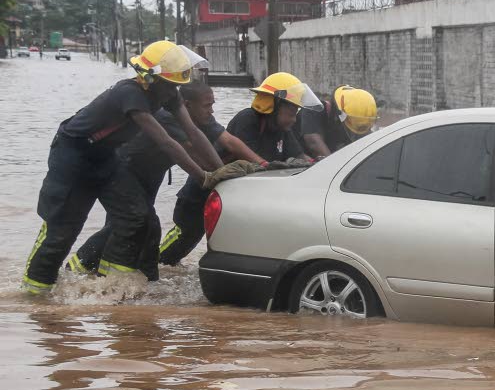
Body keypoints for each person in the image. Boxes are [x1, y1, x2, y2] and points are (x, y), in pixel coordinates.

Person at [21, 40, 222, 295]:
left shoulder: (167, 94)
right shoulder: (130, 93)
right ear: (151, 79)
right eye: (171, 85)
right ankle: (33, 295)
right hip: (73, 157)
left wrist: (218, 172)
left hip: (106, 158)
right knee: (63, 229)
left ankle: (111, 287)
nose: (174, 92)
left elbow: (193, 131)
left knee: (138, 217)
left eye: (177, 86)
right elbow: (166, 142)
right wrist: (203, 177)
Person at [69, 82, 267, 280]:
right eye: (207, 105)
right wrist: (217, 174)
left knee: (141, 227)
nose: (211, 110)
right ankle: (82, 268)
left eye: (212, 104)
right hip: (126, 171)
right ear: (187, 105)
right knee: (132, 224)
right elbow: (192, 152)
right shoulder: (167, 118)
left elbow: (229, 141)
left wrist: (262, 164)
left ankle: (142, 278)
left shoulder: (201, 118)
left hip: (151, 174)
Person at [159, 71, 319, 266]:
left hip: (231, 200)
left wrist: (320, 166)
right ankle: (154, 264)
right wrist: (264, 165)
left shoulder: (283, 131)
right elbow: (244, 156)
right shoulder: (247, 120)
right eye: (291, 113)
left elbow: (301, 156)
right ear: (273, 106)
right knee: (182, 241)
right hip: (200, 195)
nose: (294, 120)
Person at [295, 86, 379, 159]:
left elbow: (369, 143)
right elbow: (313, 143)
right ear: (338, 115)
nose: (354, 132)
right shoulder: (313, 109)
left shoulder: (357, 120)